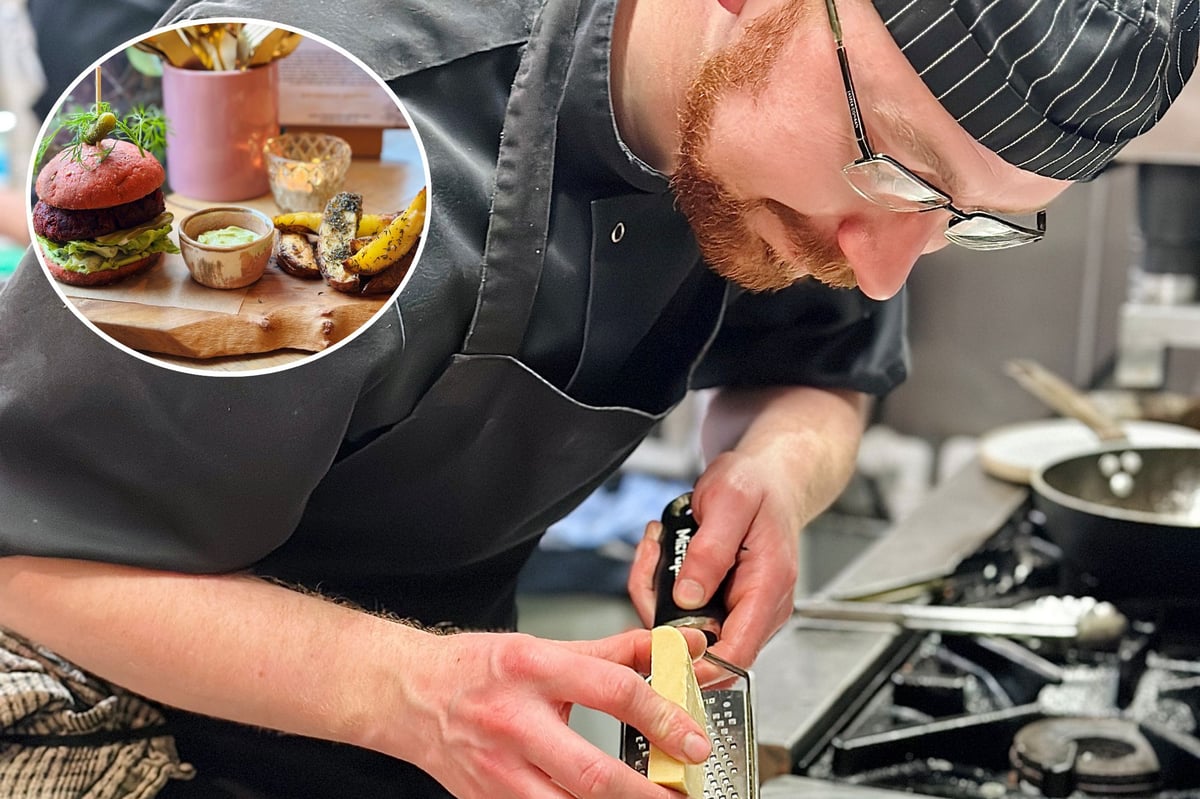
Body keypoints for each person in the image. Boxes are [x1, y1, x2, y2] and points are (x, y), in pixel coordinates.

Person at [0, 0, 1194, 797]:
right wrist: (400, 687)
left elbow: (813, 376)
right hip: (109, 727)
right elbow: (25, 552)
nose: (883, 261)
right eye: (891, 166)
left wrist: (773, 474)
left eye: (964, 224)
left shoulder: (817, 162)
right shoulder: (278, 112)